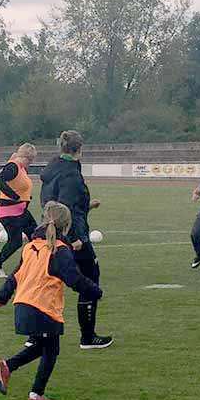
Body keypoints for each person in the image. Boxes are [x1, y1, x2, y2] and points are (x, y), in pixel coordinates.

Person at [0, 201, 103, 400]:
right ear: (66, 226)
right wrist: (95, 291)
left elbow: (15, 276)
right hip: (42, 307)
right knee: (49, 350)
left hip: (23, 304)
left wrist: (1, 297)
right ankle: (22, 381)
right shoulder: (59, 250)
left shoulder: (31, 247)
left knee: (47, 348)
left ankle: (25, 385)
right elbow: (74, 279)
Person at [39, 130, 112, 349]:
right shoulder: (71, 174)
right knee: (90, 279)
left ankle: (36, 335)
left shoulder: (52, 169)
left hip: (49, 230)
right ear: (80, 149)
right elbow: (67, 206)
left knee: (48, 281)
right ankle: (88, 337)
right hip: (70, 234)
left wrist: (86, 206)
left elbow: (53, 204)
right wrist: (75, 237)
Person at [0, 143, 38, 278]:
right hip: (8, 212)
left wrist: (26, 197)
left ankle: (32, 265)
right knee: (15, 241)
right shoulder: (13, 166)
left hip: (20, 210)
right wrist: (14, 196)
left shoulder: (21, 168)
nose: (31, 163)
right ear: (27, 158)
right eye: (31, 160)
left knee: (36, 236)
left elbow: (20, 186)